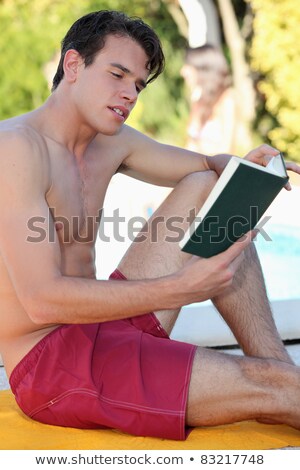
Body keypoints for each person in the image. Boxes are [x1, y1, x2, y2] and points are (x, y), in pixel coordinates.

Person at [0, 10, 300, 441]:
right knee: (285, 390)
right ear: (73, 65)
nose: (129, 95)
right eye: (117, 74)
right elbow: (42, 301)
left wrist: (236, 166)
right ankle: (279, 385)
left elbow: (202, 166)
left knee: (209, 188)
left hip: (105, 328)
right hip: (51, 367)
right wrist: (182, 287)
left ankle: (276, 369)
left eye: (138, 85)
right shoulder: (16, 148)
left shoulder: (110, 143)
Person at [181, 44, 237, 154]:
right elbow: (191, 145)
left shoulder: (227, 100)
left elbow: (227, 151)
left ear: (203, 69)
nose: (183, 71)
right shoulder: (198, 98)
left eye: (188, 65)